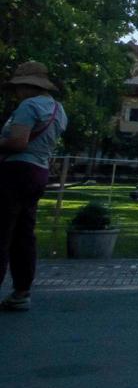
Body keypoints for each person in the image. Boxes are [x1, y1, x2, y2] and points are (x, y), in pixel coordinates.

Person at [0, 62, 68, 311]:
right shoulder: (58, 110)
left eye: (18, 87)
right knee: (24, 233)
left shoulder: (29, 106)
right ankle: (22, 290)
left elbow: (18, 142)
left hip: (15, 171)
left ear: (29, 86)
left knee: (3, 231)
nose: (16, 93)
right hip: (39, 172)